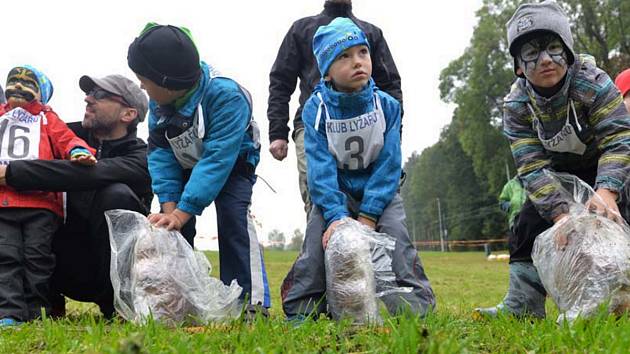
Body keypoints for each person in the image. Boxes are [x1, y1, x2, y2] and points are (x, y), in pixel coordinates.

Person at [474, 1, 630, 319]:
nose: (545, 59)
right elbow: (530, 165)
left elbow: (619, 138)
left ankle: (620, 298)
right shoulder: (516, 106)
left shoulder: (594, 84)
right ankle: (523, 304)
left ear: (568, 52)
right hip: (555, 175)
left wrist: (608, 191)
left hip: (604, 167)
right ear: (519, 65)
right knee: (526, 223)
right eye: (531, 53)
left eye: (554, 48)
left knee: (623, 215)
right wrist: (561, 215)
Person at [280, 18, 435, 321]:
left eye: (362, 53)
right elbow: (319, 168)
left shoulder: (387, 106)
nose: (357, 62)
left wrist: (369, 214)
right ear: (326, 69)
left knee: (397, 241)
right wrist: (336, 217)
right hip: (335, 195)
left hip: (379, 193)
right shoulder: (316, 109)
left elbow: (389, 164)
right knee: (315, 244)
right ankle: (303, 309)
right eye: (344, 56)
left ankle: (416, 309)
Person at [127, 23, 271, 316]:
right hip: (185, 162)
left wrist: (184, 210)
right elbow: (161, 153)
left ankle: (249, 303)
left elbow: (217, 160)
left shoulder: (226, 96)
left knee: (233, 220)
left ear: (167, 82)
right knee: (173, 230)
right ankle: (178, 302)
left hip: (232, 164)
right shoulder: (161, 102)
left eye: (144, 80)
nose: (141, 86)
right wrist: (171, 210)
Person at [0, 73, 151, 319]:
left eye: (100, 95)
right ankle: (41, 300)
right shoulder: (59, 133)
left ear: (128, 114)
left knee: (116, 195)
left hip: (104, 267)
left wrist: (11, 173)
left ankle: (117, 304)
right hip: (56, 255)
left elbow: (90, 174)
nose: (88, 99)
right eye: (88, 94)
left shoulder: (142, 157)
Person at [267, 0, 403, 214]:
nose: (356, 60)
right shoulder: (301, 30)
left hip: (370, 126)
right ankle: (324, 243)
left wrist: (396, 132)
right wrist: (277, 132)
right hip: (314, 126)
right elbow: (280, 82)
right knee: (319, 198)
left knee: (378, 198)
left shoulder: (370, 33)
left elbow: (390, 85)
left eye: (361, 53)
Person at [0, 65, 97, 326]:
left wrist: (78, 151)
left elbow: (66, 139)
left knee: (37, 258)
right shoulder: (1, 116)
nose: (18, 86)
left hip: (41, 205)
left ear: (41, 93)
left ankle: (38, 312)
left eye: (26, 82)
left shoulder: (47, 118)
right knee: (6, 257)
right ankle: (9, 313)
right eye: (13, 80)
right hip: (4, 203)